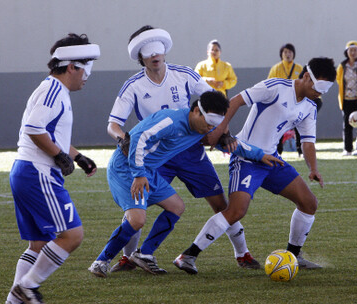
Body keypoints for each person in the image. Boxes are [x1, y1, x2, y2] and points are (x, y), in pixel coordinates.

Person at [105, 26, 259, 274]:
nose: (155, 56)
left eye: (158, 51)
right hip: (156, 156)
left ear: (164, 51)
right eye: (148, 52)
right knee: (137, 204)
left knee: (220, 203)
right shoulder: (132, 85)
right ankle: (128, 258)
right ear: (141, 57)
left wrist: (225, 132)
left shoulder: (185, 75)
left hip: (190, 150)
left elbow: (219, 103)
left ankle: (242, 253)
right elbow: (113, 124)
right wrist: (123, 139)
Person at [89, 91, 282, 278]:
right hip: (127, 168)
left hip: (147, 171)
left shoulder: (201, 128)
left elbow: (235, 145)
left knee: (176, 207)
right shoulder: (170, 120)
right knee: (137, 220)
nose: (209, 129)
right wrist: (139, 174)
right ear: (196, 111)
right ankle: (101, 261)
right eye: (207, 123)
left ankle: (144, 254)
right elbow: (137, 138)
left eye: (213, 125)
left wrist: (260, 155)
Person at [176, 57, 337, 274]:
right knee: (236, 211)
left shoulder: (309, 107)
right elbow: (235, 101)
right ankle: (188, 255)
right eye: (320, 87)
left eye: (326, 90)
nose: (321, 93)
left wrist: (313, 168)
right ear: (307, 76)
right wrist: (222, 131)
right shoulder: (275, 86)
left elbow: (308, 141)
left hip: (271, 160)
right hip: (246, 158)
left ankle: (294, 255)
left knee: (309, 203)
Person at [5, 34, 100, 304]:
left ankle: (14, 301)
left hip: (25, 170)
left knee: (38, 244)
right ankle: (27, 287)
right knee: (72, 235)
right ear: (71, 66)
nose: (87, 76)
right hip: (38, 172)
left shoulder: (50, 88)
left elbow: (46, 130)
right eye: (85, 68)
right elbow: (34, 129)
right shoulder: (54, 91)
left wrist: (77, 156)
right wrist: (59, 155)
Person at [267, 43, 305, 156]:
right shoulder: (276, 68)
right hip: (281, 102)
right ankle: (277, 151)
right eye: (285, 52)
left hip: (296, 102)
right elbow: (270, 84)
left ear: (294, 54)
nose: (288, 54)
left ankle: (301, 151)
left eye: (290, 52)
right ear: (281, 54)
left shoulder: (299, 68)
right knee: (278, 127)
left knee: (299, 126)